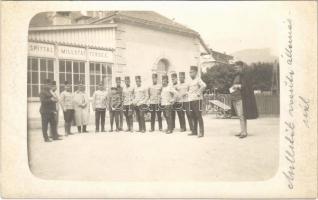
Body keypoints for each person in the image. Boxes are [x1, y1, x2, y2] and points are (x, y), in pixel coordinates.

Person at [230, 61, 259, 139]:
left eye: (237, 67)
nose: (235, 69)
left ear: (241, 67)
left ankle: (244, 132)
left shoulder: (245, 75)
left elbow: (246, 86)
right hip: (236, 97)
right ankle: (243, 130)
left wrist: (238, 86)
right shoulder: (237, 76)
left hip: (242, 98)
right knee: (240, 116)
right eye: (234, 67)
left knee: (242, 115)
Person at [188, 66, 206, 137]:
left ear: (195, 72)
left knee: (198, 116)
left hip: (197, 100)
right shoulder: (191, 81)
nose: (190, 74)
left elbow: (204, 85)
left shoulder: (198, 79)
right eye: (189, 72)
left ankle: (201, 132)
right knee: (193, 116)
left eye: (191, 72)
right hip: (191, 100)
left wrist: (199, 92)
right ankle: (194, 131)